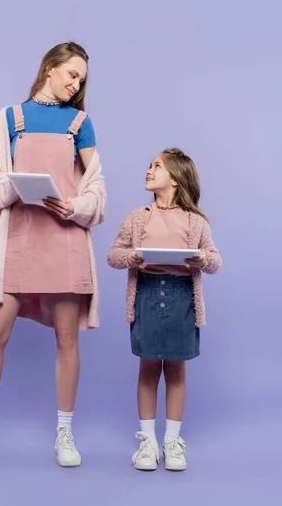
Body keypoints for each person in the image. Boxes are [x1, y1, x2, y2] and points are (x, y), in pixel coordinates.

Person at [0, 42, 106, 468]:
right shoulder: (10, 118)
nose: (76, 84)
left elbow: (98, 191)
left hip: (64, 240)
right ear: (49, 68)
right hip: (17, 241)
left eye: (81, 79)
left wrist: (76, 206)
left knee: (67, 341)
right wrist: (14, 186)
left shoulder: (80, 124)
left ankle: (65, 433)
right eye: (71, 74)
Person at [107, 148, 221, 471]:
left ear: (175, 178)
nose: (149, 170)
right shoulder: (137, 216)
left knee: (175, 371)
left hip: (182, 298)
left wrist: (201, 259)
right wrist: (130, 258)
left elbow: (215, 260)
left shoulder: (195, 222)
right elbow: (113, 254)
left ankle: (172, 442)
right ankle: (148, 442)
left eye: (157, 166)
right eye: (150, 165)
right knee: (147, 370)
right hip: (146, 294)